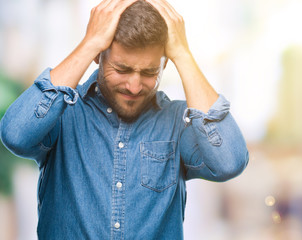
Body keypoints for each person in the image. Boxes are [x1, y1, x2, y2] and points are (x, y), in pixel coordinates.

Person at [0, 0, 249, 239]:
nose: (134, 85)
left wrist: (183, 54)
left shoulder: (177, 123)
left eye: (150, 72)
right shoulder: (65, 114)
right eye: (122, 69)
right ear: (98, 56)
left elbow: (229, 162)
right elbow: (15, 134)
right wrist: (90, 42)